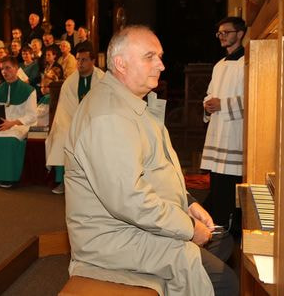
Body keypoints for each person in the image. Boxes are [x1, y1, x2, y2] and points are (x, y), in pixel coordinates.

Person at [65, 25, 238, 296]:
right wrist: (188, 228)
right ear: (120, 63)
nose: (161, 64)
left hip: (134, 224)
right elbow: (128, 200)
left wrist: (189, 204)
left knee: (223, 240)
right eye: (150, 56)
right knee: (225, 281)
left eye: (159, 56)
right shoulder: (108, 116)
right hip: (114, 237)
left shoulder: (128, 101)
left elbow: (155, 169)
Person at [201, 16, 246, 231]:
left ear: (240, 34)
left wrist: (224, 104)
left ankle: (230, 228)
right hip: (218, 130)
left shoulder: (248, 63)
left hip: (235, 131)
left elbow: (253, 98)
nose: (222, 37)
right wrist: (208, 104)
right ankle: (217, 224)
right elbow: (211, 93)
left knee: (230, 184)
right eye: (219, 33)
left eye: (226, 32)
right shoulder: (219, 65)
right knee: (217, 180)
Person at [46, 46, 104, 195]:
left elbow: (106, 106)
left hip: (96, 123)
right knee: (61, 137)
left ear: (93, 60)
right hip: (72, 122)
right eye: (78, 59)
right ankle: (63, 182)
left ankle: (95, 184)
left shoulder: (103, 80)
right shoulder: (69, 82)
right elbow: (64, 110)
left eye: (84, 60)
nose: (80, 63)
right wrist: (72, 125)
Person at [0, 56, 37, 188]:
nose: (5, 72)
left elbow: (32, 116)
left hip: (21, 125)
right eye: (2, 69)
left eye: (8, 68)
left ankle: (9, 177)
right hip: (3, 125)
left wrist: (12, 123)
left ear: (16, 69)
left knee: (11, 140)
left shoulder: (29, 90)